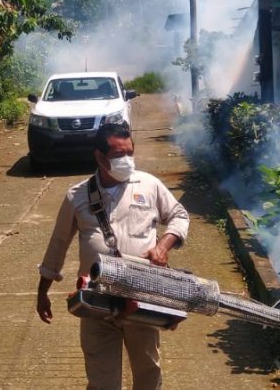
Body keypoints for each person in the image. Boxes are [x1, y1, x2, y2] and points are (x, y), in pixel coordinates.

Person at [36, 122, 190, 390]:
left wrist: (164, 245)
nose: (127, 160)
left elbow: (179, 216)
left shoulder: (149, 185)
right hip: (96, 301)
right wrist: (42, 291)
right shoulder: (77, 195)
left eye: (130, 152)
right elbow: (58, 244)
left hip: (141, 298)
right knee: (101, 380)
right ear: (99, 156)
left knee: (148, 372)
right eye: (119, 155)